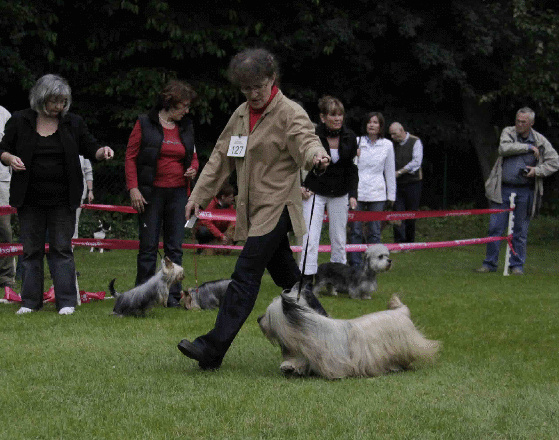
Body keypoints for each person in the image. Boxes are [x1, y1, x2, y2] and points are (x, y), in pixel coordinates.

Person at [177, 48, 330, 370]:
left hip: (277, 207)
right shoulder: (242, 115)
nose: (253, 94)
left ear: (272, 79)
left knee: (245, 275)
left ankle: (211, 349)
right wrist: (198, 198)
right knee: (290, 278)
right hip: (253, 210)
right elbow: (221, 157)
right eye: (246, 89)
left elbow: (306, 140)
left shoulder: (290, 112)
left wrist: (316, 157)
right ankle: (329, 332)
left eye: (258, 86)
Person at [0, 74, 114, 315]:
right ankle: (30, 302)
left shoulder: (73, 123)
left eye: (63, 102)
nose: (59, 107)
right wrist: (9, 158)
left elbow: (90, 146)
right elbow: (2, 149)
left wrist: (102, 151)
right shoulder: (20, 120)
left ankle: (66, 302)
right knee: (31, 251)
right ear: (41, 99)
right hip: (29, 199)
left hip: (64, 199)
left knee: (62, 249)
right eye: (54, 101)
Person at [125, 79, 199, 307]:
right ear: (169, 103)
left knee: (174, 247)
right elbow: (130, 157)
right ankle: (143, 296)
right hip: (151, 193)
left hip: (178, 193)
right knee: (148, 248)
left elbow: (193, 156)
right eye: (183, 106)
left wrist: (193, 169)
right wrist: (133, 188)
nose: (187, 111)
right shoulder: (144, 123)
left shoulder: (186, 126)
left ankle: (173, 297)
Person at [476, 107, 559, 275]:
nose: (520, 124)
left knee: (520, 231)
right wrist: (528, 148)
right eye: (518, 121)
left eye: (524, 122)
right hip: (503, 189)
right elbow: (504, 149)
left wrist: (537, 171)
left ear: (531, 123)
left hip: (526, 191)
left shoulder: (540, 140)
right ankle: (489, 264)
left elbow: (555, 162)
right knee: (495, 228)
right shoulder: (508, 132)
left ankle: (517, 266)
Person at [298, 96, 358, 284]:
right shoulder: (313, 135)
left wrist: (353, 194)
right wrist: (300, 186)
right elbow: (300, 163)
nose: (338, 118)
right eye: (333, 115)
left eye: (340, 115)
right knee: (310, 235)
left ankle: (340, 278)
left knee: (339, 237)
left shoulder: (350, 136)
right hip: (315, 190)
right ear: (323, 117)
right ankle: (307, 278)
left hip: (340, 192)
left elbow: (352, 168)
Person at [348, 112, 396, 267]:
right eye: (369, 122)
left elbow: (389, 170)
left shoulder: (387, 145)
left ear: (380, 126)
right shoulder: (357, 142)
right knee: (355, 230)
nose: (372, 125)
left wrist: (391, 195)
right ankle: (355, 264)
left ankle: (374, 264)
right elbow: (351, 167)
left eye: (375, 122)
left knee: (375, 231)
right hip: (358, 192)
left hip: (378, 192)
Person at [389, 122, 423, 244]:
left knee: (411, 213)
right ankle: (398, 242)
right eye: (391, 134)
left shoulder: (415, 141)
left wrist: (399, 172)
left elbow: (416, 162)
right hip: (397, 184)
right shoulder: (392, 145)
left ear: (401, 130)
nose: (392, 137)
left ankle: (410, 242)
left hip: (413, 183)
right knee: (397, 214)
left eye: (394, 133)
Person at [194, 182, 236, 254]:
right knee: (203, 230)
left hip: (223, 231)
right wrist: (220, 235)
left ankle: (223, 250)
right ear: (223, 197)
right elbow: (206, 222)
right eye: (230, 197)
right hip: (211, 231)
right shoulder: (210, 204)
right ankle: (202, 248)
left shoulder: (231, 206)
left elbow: (233, 221)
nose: (232, 199)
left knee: (237, 231)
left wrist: (227, 234)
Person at [0, 105, 15, 288]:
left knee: (4, 230)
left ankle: (6, 278)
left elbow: (12, 146)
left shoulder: (4, 114)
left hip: (1, 180)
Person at [73, 155, 94, 239]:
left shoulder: (83, 155)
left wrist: (90, 191)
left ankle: (72, 244)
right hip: (62, 192)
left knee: (75, 219)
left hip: (79, 192)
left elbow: (88, 172)